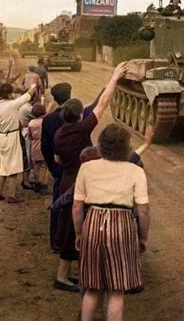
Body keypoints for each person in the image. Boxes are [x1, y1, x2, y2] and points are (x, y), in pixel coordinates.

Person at [53, 62, 128, 292]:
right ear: (78, 115)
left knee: (67, 227)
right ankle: (65, 277)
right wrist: (115, 76)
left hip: (65, 179)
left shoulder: (59, 132)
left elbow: (56, 160)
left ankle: (67, 274)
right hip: (80, 182)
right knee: (80, 228)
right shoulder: (82, 129)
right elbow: (103, 104)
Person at [72, 124, 151, 321]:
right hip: (122, 224)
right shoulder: (135, 171)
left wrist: (79, 233)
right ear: (126, 147)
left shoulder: (87, 168)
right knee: (117, 290)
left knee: (93, 287)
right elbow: (143, 210)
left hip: (93, 221)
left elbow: (76, 206)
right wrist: (143, 237)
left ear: (101, 145)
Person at [0, 82, 37, 204]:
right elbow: (27, 96)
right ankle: (11, 195)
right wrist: (33, 86)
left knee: (4, 165)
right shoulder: (11, 105)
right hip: (12, 135)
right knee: (14, 166)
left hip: (2, 137)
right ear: (9, 94)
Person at [41, 82, 73, 251]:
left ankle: (55, 241)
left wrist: (52, 167)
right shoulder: (78, 116)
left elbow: (44, 147)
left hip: (59, 166)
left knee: (57, 203)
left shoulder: (48, 119)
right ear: (70, 96)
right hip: (76, 167)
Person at [28, 103, 49, 195]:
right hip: (44, 144)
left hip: (34, 145)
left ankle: (37, 183)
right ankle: (45, 184)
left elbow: (30, 136)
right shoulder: (44, 122)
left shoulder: (31, 123)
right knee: (47, 166)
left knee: (36, 165)